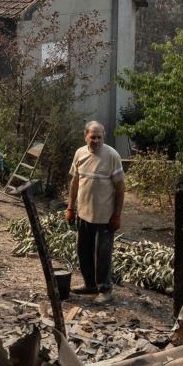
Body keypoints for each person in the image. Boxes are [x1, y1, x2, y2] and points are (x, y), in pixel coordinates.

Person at [65, 121, 124, 303]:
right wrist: (70, 207)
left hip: (104, 217)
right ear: (86, 137)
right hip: (83, 213)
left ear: (103, 138)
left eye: (99, 137)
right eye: (93, 137)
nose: (96, 141)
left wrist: (117, 214)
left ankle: (105, 290)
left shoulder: (112, 156)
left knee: (103, 255)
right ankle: (89, 284)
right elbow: (75, 182)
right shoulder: (80, 154)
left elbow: (120, 188)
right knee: (83, 251)